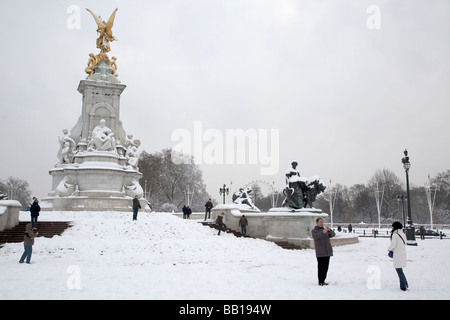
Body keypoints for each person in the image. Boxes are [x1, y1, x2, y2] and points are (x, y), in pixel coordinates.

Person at [311, 218, 335, 286]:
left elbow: (333, 235)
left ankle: (324, 280)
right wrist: (323, 232)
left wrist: (329, 230)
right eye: (320, 222)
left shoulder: (325, 229)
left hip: (327, 251)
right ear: (317, 223)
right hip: (320, 252)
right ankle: (320, 281)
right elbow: (316, 237)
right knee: (321, 267)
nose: (322, 223)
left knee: (326, 267)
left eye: (322, 222)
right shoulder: (314, 231)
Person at [388, 221, 409, 291]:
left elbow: (393, 244)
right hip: (402, 253)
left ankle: (403, 286)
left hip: (397, 253)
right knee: (400, 269)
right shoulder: (402, 233)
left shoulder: (395, 234)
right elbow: (405, 242)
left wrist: (389, 249)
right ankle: (405, 283)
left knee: (399, 270)